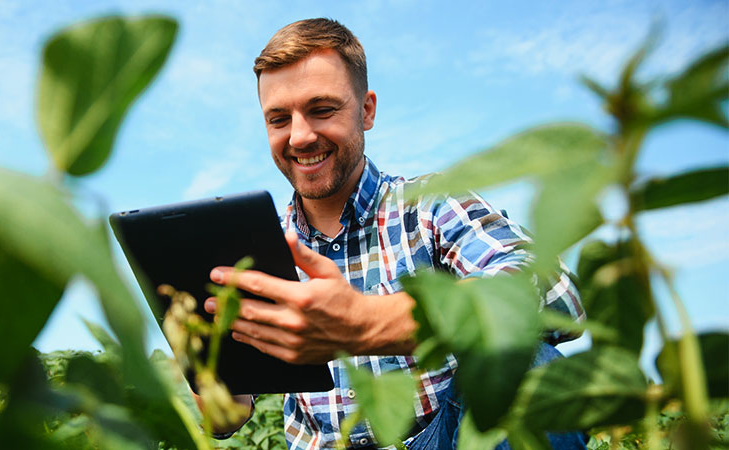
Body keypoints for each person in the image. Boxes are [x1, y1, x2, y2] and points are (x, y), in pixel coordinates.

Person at [200, 18, 586, 449]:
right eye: (278, 119)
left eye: (322, 109)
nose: (300, 136)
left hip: (440, 439)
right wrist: (207, 363)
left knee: (527, 367)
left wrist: (364, 322)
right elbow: (226, 419)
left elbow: (556, 294)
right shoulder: (260, 250)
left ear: (366, 110)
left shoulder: (429, 204)